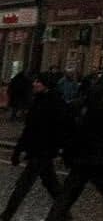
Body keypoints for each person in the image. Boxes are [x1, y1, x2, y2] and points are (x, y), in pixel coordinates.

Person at [45, 65, 103, 221]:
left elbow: (76, 107)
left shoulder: (95, 88)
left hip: (83, 151)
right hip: (99, 154)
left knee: (68, 194)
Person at [3, 74, 63, 221]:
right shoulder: (38, 101)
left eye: (38, 82)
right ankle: (65, 213)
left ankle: (7, 215)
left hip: (42, 151)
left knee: (23, 185)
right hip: (40, 151)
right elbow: (28, 129)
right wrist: (18, 150)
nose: (35, 84)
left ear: (45, 85)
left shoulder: (53, 103)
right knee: (52, 185)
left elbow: (58, 129)